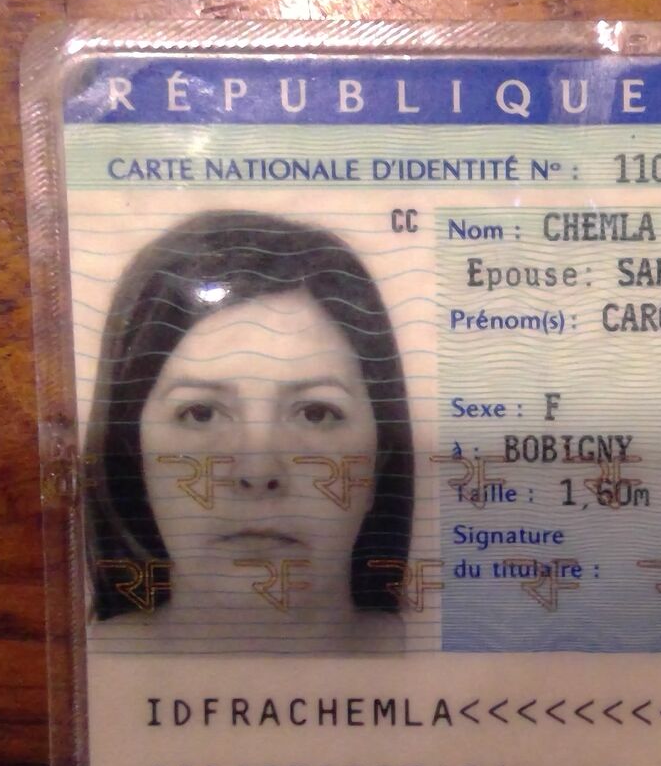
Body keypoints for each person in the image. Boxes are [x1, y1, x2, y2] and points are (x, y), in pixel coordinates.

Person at [83, 211, 415, 639]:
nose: (257, 472)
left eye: (316, 413)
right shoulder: (75, 668)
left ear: (381, 456)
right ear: (131, 451)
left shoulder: (457, 668)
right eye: (200, 413)